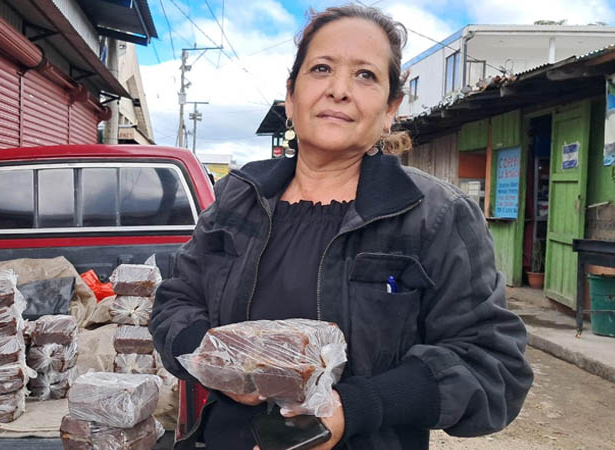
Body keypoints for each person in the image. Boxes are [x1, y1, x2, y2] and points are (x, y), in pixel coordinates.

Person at [150, 4, 533, 450]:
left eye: (365, 75)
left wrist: (356, 408)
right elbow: (175, 302)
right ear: (291, 96)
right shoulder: (239, 199)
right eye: (322, 68)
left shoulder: (436, 216)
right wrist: (216, 358)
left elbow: (492, 363)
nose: (339, 90)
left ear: (391, 108)